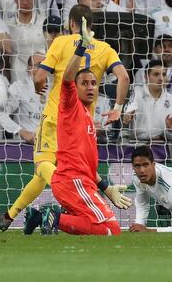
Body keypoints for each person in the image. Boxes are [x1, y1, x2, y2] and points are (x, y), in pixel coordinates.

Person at [0, 5, 129, 232]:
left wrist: (39, 86)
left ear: (71, 23)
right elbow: (123, 77)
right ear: (92, 25)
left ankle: (52, 212)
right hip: (83, 121)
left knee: (43, 166)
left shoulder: (61, 42)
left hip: (58, 115)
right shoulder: (105, 49)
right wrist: (117, 108)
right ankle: (9, 216)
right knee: (60, 170)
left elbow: (39, 76)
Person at [35, 17, 132, 235]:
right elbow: (68, 78)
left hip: (82, 182)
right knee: (112, 230)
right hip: (73, 182)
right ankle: (52, 216)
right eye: (84, 83)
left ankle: (46, 217)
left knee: (101, 228)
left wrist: (107, 188)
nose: (90, 87)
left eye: (93, 83)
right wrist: (82, 47)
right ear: (75, 88)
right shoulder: (70, 105)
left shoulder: (88, 117)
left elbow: (87, 165)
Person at [123, 60, 172, 143]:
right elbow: (131, 106)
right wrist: (128, 114)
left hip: (162, 148)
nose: (161, 78)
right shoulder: (137, 92)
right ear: (146, 77)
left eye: (164, 74)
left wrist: (170, 130)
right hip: (137, 146)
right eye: (156, 74)